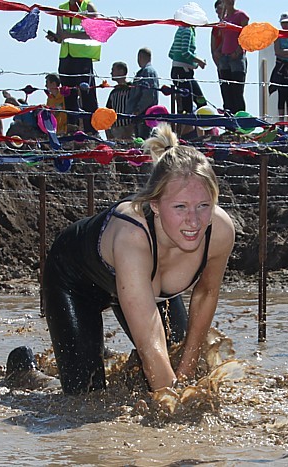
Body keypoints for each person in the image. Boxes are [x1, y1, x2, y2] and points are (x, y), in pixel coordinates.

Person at [41, 123, 235, 394]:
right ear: (155, 204)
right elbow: (150, 350)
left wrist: (187, 371)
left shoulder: (220, 230)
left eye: (203, 205)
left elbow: (206, 293)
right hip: (74, 280)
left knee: (184, 363)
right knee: (84, 400)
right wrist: (174, 410)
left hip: (139, 286)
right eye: (180, 207)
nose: (194, 221)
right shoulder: (132, 238)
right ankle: (27, 374)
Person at [45, 0, 101, 134]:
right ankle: (72, 129)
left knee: (87, 95)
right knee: (68, 94)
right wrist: (55, 38)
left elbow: (94, 33)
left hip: (83, 58)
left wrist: (68, 36)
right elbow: (61, 36)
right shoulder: (62, 8)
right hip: (66, 57)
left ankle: (91, 131)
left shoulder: (88, 7)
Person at [211, 0, 249, 114]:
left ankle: (241, 123)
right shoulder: (225, 20)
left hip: (236, 58)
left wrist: (238, 50)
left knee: (237, 92)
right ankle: (229, 124)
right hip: (225, 57)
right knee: (226, 93)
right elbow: (224, 39)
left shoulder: (241, 15)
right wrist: (217, 51)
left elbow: (245, 35)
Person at [169, 22, 207, 137]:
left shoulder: (180, 30)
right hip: (183, 72)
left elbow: (171, 53)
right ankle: (185, 137)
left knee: (198, 102)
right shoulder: (187, 30)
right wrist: (198, 61)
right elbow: (185, 52)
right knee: (189, 108)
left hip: (179, 71)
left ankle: (199, 135)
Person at [127, 47, 160, 139]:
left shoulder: (147, 72)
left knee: (144, 141)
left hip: (144, 114)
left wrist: (138, 109)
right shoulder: (146, 72)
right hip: (143, 114)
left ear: (140, 57)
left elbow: (149, 94)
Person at [105, 61, 133, 140]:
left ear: (121, 71)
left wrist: (130, 128)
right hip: (115, 130)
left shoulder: (131, 89)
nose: (111, 73)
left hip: (129, 129)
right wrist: (108, 131)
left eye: (113, 70)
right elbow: (107, 113)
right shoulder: (114, 92)